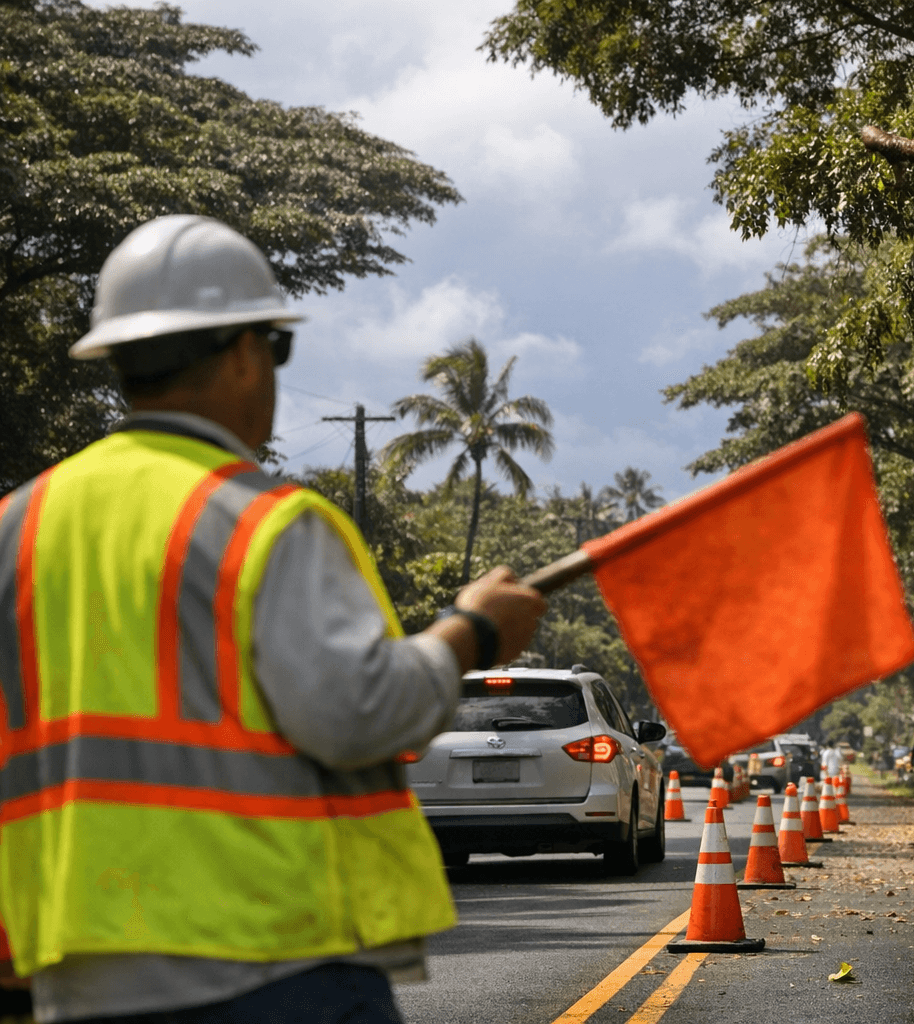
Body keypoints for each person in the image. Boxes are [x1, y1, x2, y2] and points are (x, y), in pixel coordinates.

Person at [0, 215, 548, 1022]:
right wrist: (475, 630)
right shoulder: (262, 521)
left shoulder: (19, 523)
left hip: (74, 969)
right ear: (249, 352)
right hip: (270, 961)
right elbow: (358, 713)